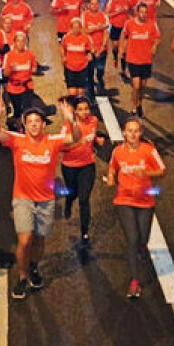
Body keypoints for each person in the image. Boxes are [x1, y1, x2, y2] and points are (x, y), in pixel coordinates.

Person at [0, 96, 81, 299]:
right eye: (29, 121)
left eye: (37, 121)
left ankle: (33, 267)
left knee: (39, 240)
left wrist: (71, 120)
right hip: (23, 199)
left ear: (43, 124)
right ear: (24, 124)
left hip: (46, 200)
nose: (33, 125)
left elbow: (75, 137)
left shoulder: (52, 141)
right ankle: (22, 278)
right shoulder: (17, 140)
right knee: (25, 240)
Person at [106, 116, 167, 298]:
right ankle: (135, 281)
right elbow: (112, 168)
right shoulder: (118, 151)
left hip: (145, 201)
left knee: (143, 238)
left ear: (140, 133)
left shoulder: (149, 151)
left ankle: (141, 248)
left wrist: (146, 172)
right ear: (124, 133)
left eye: (136, 131)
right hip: (124, 200)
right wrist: (110, 178)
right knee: (132, 239)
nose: (132, 134)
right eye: (129, 131)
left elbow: (162, 170)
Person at [60, 96, 104, 247]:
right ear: (75, 111)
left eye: (86, 109)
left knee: (84, 199)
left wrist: (96, 140)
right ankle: (68, 202)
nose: (84, 112)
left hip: (87, 165)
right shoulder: (68, 126)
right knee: (73, 193)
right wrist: (78, 143)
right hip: (70, 166)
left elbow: (92, 135)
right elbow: (61, 148)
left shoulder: (93, 121)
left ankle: (84, 232)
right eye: (80, 109)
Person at [118, 2, 161, 117]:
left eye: (145, 12)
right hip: (133, 59)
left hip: (146, 60)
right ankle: (133, 105)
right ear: (137, 12)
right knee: (136, 85)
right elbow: (124, 35)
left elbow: (157, 38)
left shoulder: (152, 24)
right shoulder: (129, 23)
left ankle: (139, 103)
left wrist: (154, 46)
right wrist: (121, 50)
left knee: (142, 86)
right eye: (141, 12)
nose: (143, 14)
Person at [60, 17, 94, 98]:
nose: (76, 29)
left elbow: (92, 49)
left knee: (80, 93)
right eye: (74, 27)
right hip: (70, 68)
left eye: (78, 27)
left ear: (81, 28)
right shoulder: (66, 37)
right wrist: (63, 56)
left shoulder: (86, 38)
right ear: (71, 28)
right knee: (72, 93)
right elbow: (62, 47)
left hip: (82, 68)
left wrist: (90, 54)